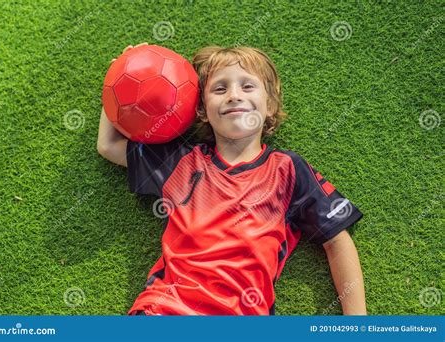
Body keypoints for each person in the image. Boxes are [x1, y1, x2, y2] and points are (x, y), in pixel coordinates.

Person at [97, 42, 366, 316]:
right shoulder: (181, 163)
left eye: (247, 86)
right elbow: (108, 145)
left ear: (270, 104)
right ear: (201, 110)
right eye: (219, 88)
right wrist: (120, 79)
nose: (234, 96)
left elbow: (336, 240)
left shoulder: (287, 170)